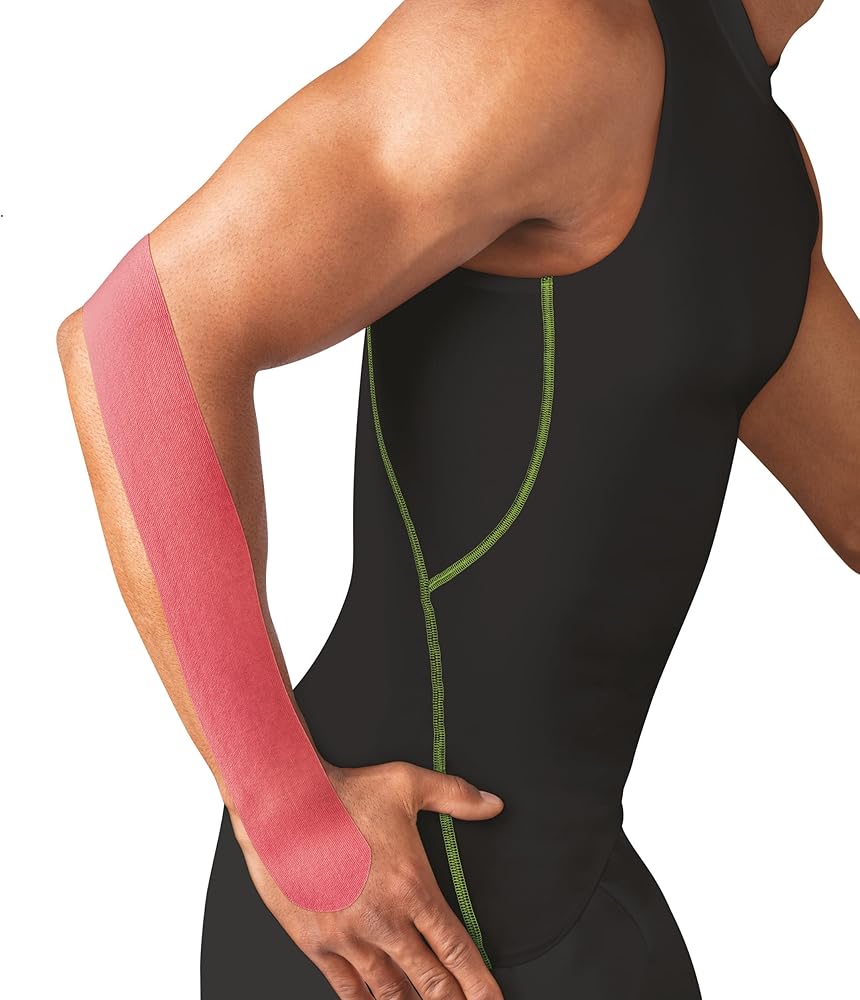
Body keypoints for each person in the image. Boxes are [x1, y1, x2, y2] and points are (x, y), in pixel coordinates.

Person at [57, 1, 857, 997]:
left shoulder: (762, 167)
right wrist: (298, 829)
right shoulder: (553, 35)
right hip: (390, 934)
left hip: (572, 903)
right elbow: (138, 336)